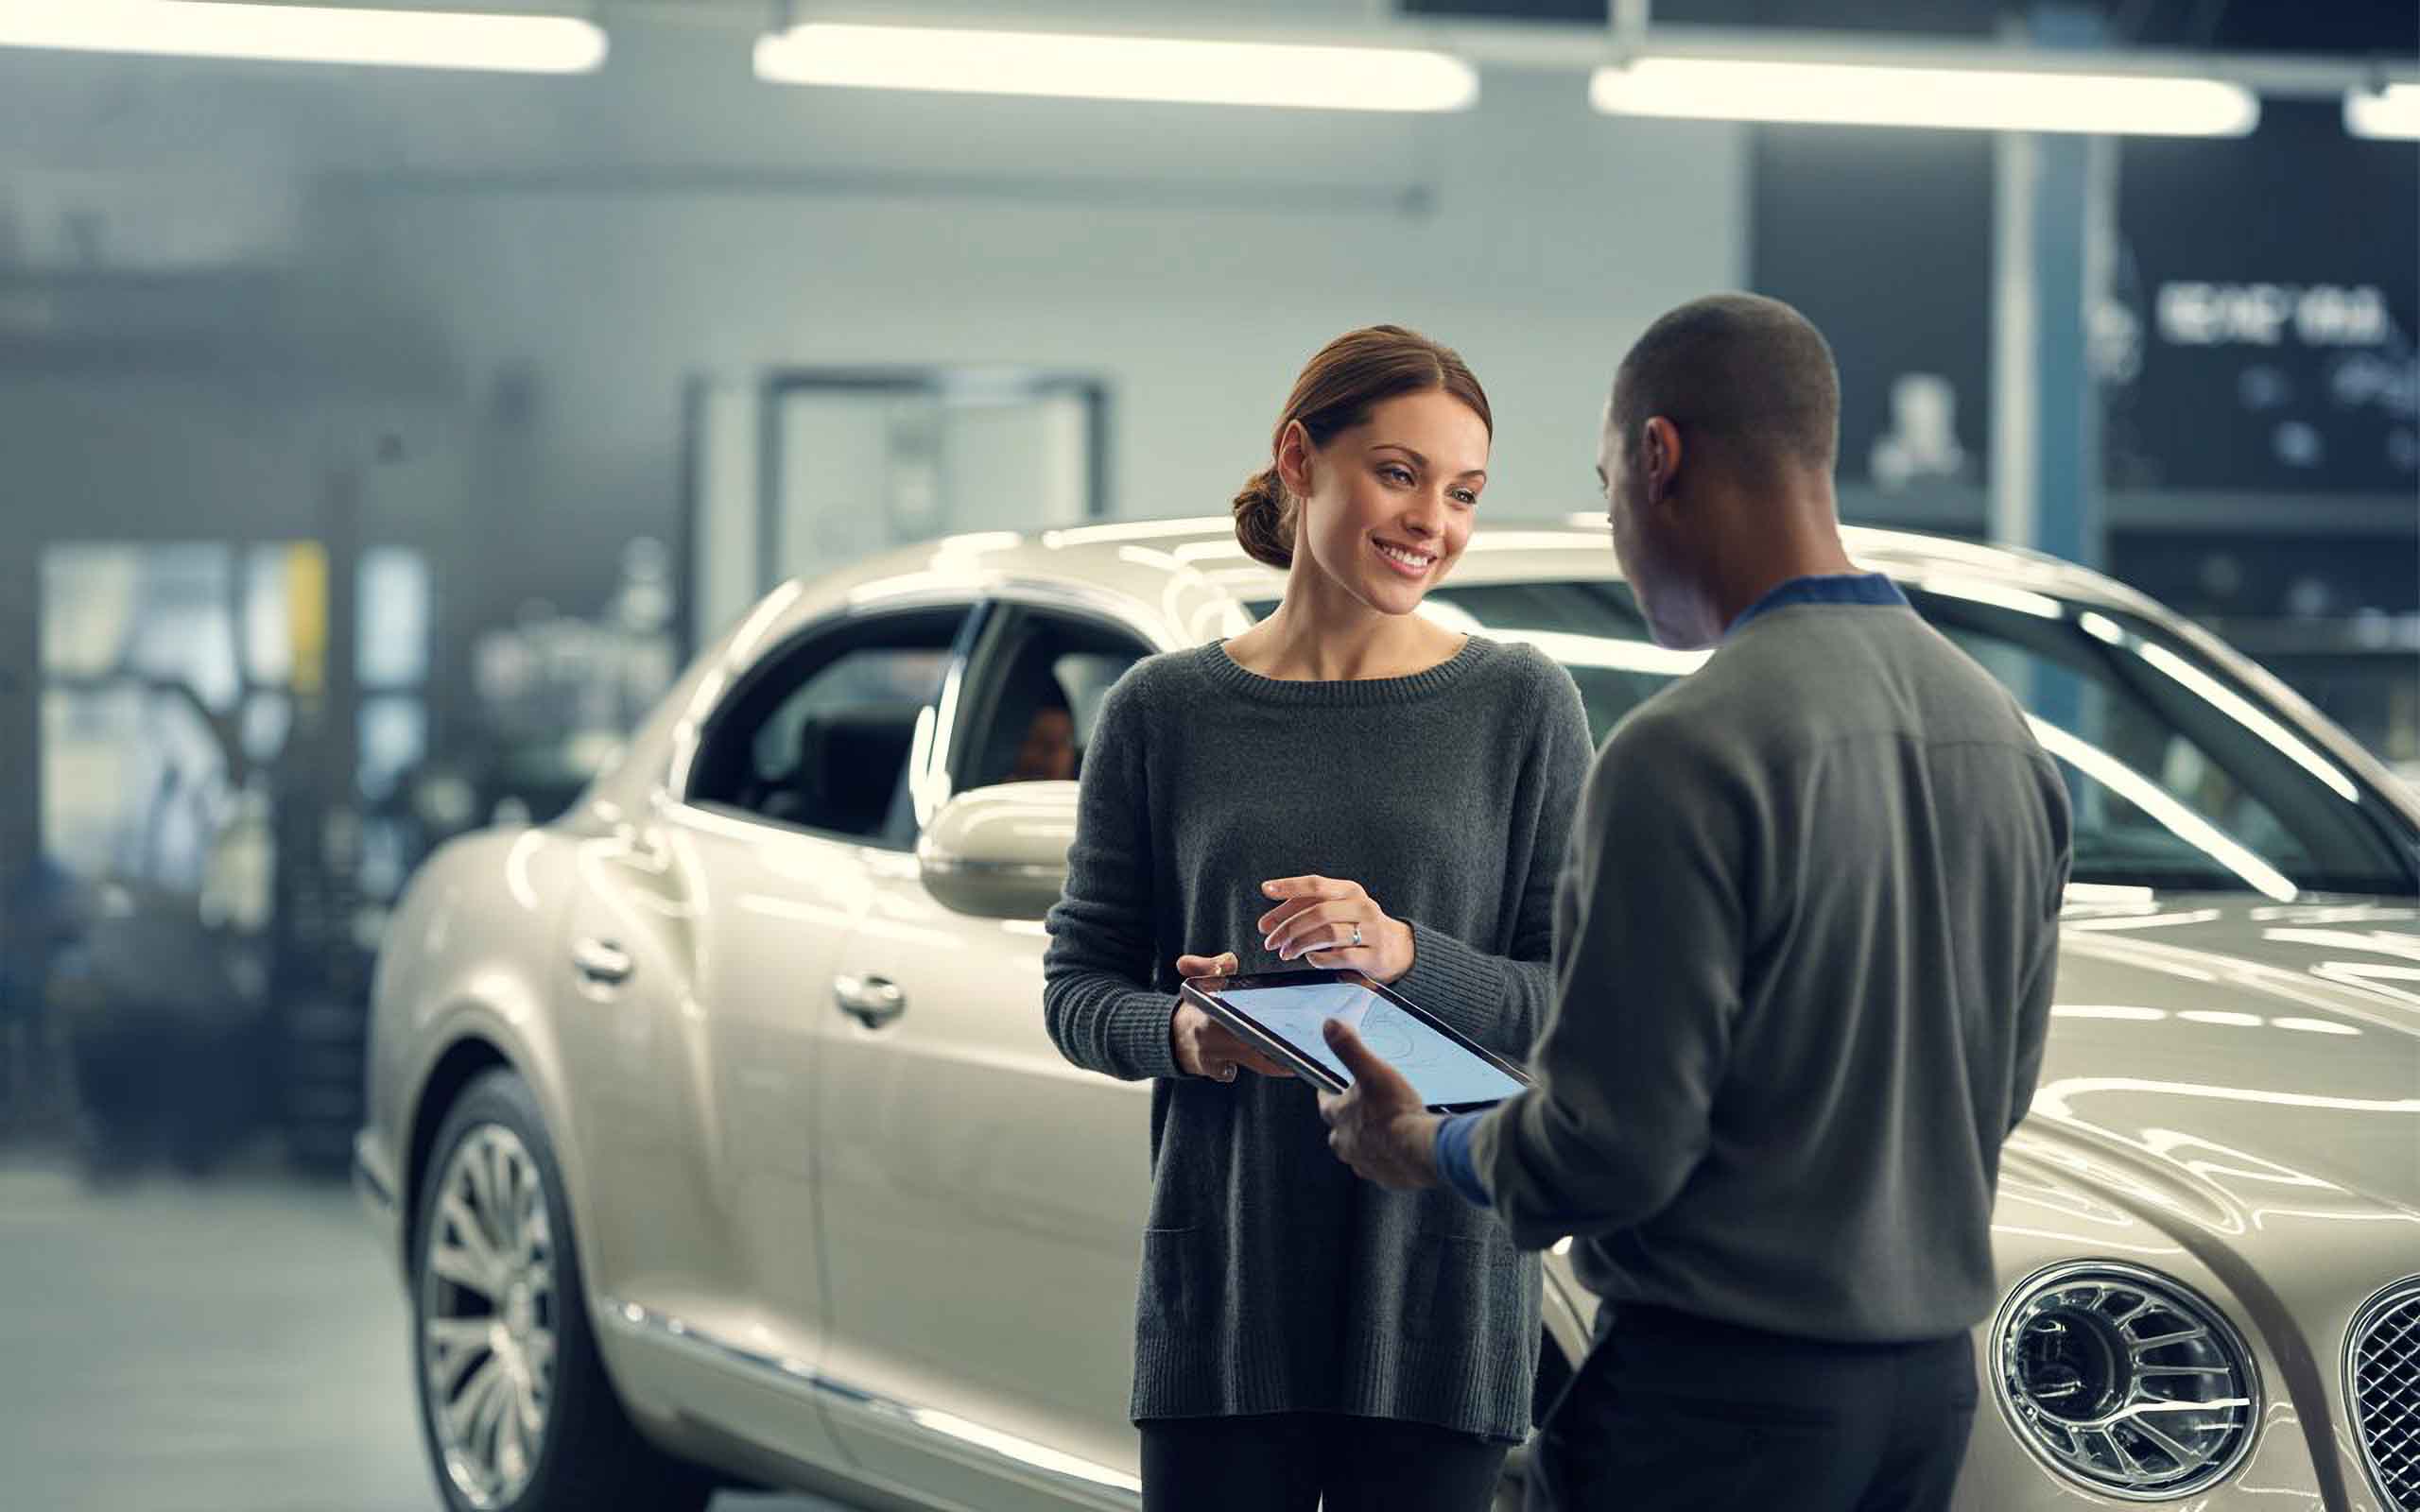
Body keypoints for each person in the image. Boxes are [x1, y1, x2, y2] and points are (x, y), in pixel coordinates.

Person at [1317, 294, 2073, 1512]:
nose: (1620, 533)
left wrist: (1424, 1143)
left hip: (1717, 1410)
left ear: (1659, 458)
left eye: (1611, 484)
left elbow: (1608, 1150)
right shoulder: (1998, 733)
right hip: (1924, 1403)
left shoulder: (1688, 748)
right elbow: (2000, 1090)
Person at [1042, 324, 1594, 1512]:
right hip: (1228, 1292)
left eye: (1463, 493)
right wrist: (1188, 1035)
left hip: (1439, 1296)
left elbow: (1572, 1005)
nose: (1430, 523)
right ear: (1300, 459)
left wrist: (1405, 953)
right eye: (1398, 474)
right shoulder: (1161, 712)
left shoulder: (1521, 704)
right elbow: (1077, 987)